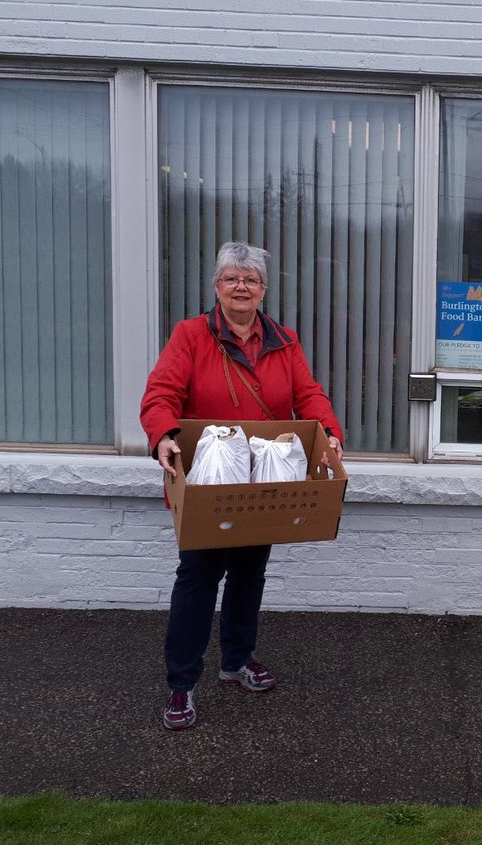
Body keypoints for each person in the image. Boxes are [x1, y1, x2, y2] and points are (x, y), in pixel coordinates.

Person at [141, 242, 344, 731]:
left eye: (250, 280)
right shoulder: (190, 335)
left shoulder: (283, 340)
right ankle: (182, 684)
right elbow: (161, 393)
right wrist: (164, 435)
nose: (241, 287)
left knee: (250, 574)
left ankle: (236, 661)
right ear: (217, 286)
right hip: (209, 481)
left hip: (263, 480)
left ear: (263, 290)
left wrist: (329, 432)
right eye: (232, 278)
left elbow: (307, 393)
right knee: (198, 579)